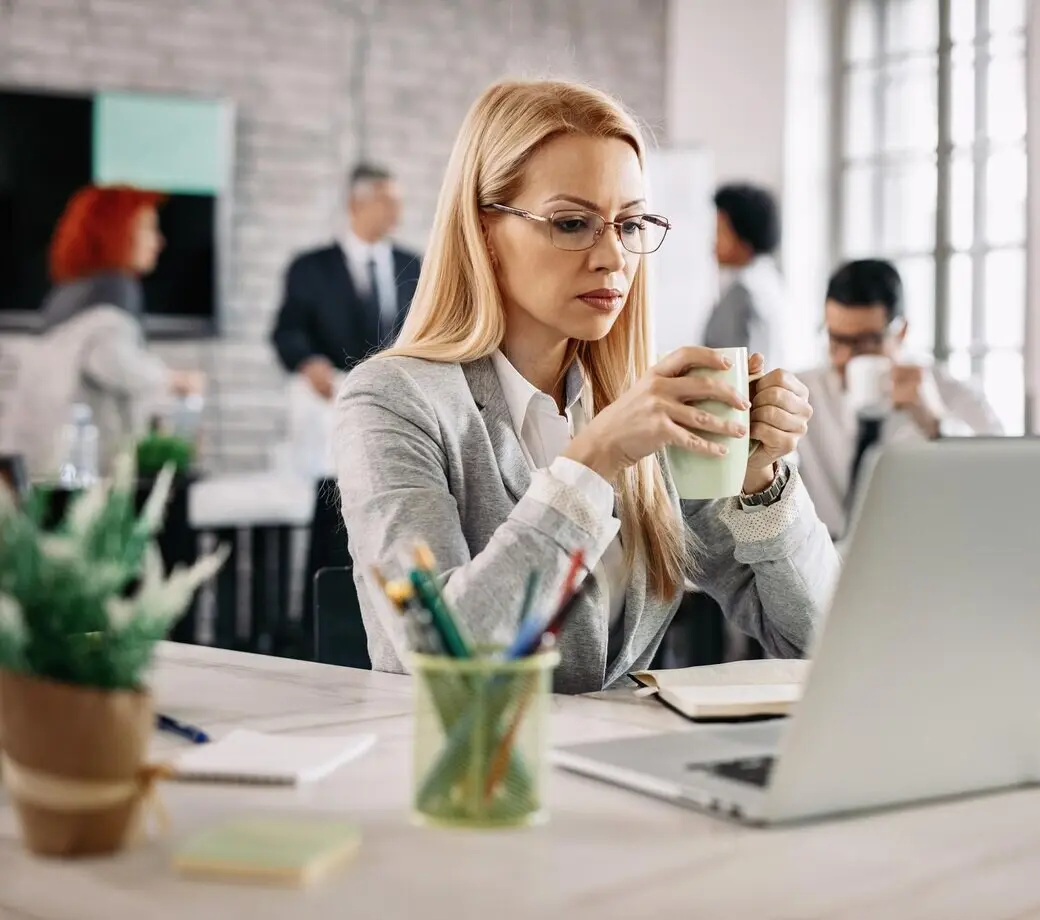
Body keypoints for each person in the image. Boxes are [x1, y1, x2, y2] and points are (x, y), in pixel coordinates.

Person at [332, 79, 838, 693]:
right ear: (483, 230)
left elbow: (819, 640)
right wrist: (593, 460)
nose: (614, 259)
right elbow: (446, 654)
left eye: (630, 225)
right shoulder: (391, 401)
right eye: (573, 223)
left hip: (624, 769)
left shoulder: (645, 407)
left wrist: (761, 482)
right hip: (464, 779)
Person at [796, 259, 1004, 538]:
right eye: (837, 340)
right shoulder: (801, 392)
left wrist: (935, 422)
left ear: (901, 331)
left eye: (865, 342)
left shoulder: (949, 394)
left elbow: (999, 482)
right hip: (823, 562)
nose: (845, 358)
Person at [10, 185, 204, 479]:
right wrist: (173, 379)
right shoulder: (115, 290)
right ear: (117, 232)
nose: (159, 241)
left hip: (42, 461)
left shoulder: (69, 294)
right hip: (85, 467)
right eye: (148, 229)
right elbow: (112, 360)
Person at [270, 163, 422, 400]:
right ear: (356, 205)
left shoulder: (413, 265)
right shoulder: (310, 268)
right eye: (386, 203)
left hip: (397, 396)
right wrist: (308, 362)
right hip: (332, 398)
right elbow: (288, 331)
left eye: (398, 203)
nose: (397, 212)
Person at [701, 183, 785, 368]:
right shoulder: (770, 281)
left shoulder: (743, 293)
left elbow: (733, 371)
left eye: (720, 231)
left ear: (743, 236)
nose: (714, 243)